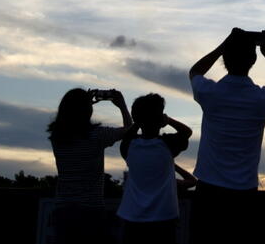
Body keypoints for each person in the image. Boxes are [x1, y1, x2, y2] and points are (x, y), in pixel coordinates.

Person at [188, 28, 265, 242]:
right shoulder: (262, 99)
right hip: (244, 193)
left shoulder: (209, 93)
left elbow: (195, 72)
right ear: (253, 59)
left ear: (226, 56)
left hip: (208, 192)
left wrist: (223, 45)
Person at [48, 88, 132, 244]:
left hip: (62, 211)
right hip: (90, 210)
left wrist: (85, 102)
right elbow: (129, 130)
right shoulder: (97, 135)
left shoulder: (57, 137)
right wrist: (121, 105)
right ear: (87, 110)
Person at [116, 94, 191, 244]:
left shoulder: (128, 146)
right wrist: (168, 120)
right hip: (164, 217)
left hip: (132, 217)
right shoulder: (167, 145)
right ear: (160, 119)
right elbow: (186, 132)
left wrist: (137, 122)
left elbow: (128, 134)